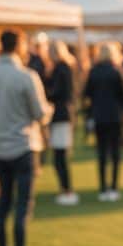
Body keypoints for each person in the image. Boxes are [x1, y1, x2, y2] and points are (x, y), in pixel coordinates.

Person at [0, 30, 51, 246]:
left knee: (3, 203)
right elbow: (40, 114)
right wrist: (48, 110)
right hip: (23, 146)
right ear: (19, 45)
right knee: (22, 205)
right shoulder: (26, 76)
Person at [83, 42, 123, 201]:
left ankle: (103, 188)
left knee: (101, 153)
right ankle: (113, 188)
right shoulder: (117, 71)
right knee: (115, 153)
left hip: (99, 116)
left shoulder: (93, 71)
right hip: (114, 117)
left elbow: (87, 94)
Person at [47, 40, 79, 206]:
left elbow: (58, 92)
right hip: (64, 114)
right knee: (60, 155)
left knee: (60, 156)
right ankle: (65, 188)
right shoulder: (66, 67)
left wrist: (46, 92)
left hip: (61, 115)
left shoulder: (61, 68)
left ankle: (66, 189)